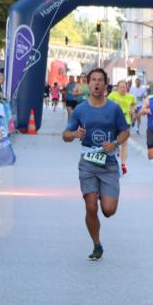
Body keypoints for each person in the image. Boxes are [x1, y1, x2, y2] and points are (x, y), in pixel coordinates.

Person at [62, 68, 129, 260]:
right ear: (88, 83)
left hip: (108, 164)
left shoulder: (114, 108)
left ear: (106, 85)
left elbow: (125, 132)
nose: (97, 83)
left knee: (108, 210)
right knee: (90, 207)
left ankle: (103, 193)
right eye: (93, 80)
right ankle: (97, 244)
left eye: (100, 80)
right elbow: (65, 135)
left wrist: (115, 143)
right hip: (88, 164)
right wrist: (75, 134)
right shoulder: (81, 109)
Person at [107, 80, 137, 174]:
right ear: (117, 87)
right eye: (121, 87)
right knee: (115, 141)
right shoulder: (112, 95)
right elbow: (105, 104)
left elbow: (134, 105)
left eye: (125, 87)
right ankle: (116, 152)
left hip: (125, 121)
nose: (123, 89)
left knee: (124, 143)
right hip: (114, 121)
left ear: (127, 88)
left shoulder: (130, 96)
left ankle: (123, 164)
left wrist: (133, 110)